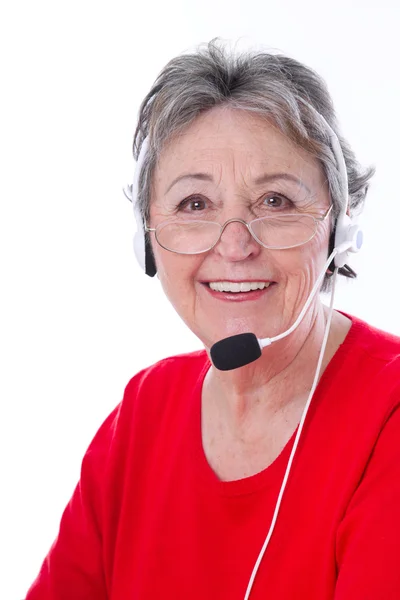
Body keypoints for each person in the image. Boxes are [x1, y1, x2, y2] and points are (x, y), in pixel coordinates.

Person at [25, 41, 400, 600]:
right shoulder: (141, 416)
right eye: (195, 204)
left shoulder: (386, 415)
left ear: (338, 229)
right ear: (148, 239)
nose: (235, 245)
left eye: (274, 201)